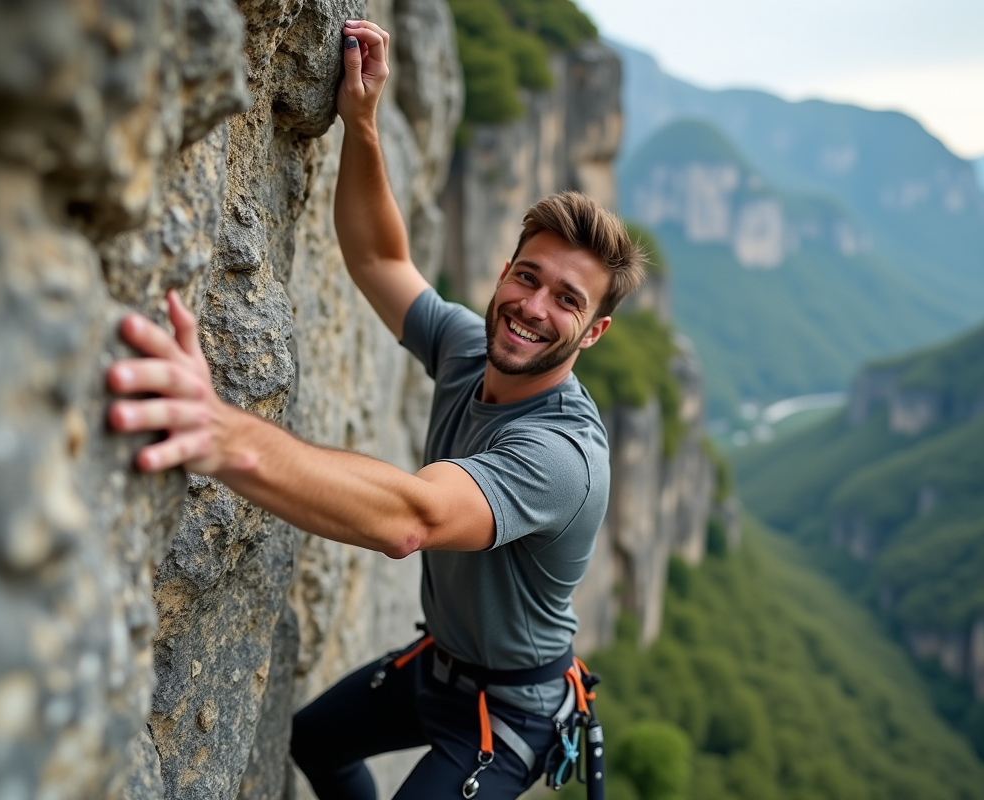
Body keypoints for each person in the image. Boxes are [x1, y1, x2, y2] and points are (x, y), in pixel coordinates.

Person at [106, 18, 646, 800]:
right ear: (503, 273)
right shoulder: (468, 347)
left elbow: (411, 519)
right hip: (439, 664)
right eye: (527, 278)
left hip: (508, 711)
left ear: (593, 332)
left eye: (567, 300)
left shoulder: (563, 458)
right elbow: (378, 257)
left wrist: (217, 432)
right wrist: (362, 123)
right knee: (314, 741)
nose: (533, 307)